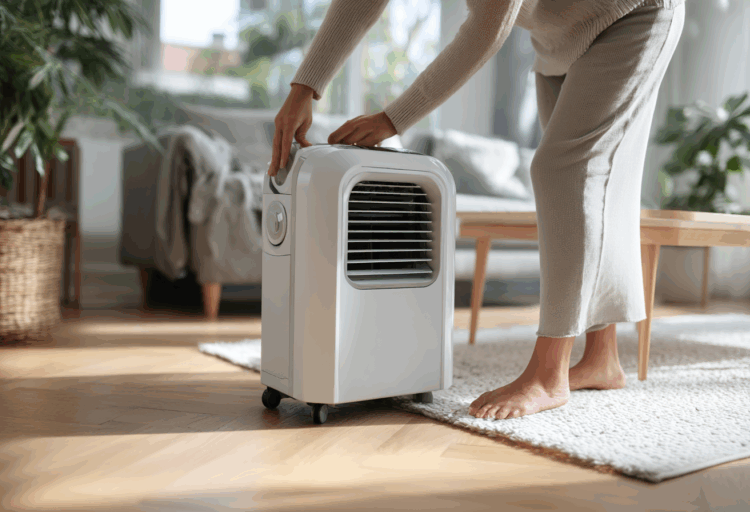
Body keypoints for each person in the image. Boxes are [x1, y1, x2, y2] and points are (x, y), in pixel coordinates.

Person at [268, 0, 685, 420]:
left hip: (632, 12)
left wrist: (394, 119)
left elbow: (485, 31)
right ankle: (601, 360)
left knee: (563, 170)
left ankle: (547, 374)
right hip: (558, 35)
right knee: (590, 189)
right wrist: (303, 89)